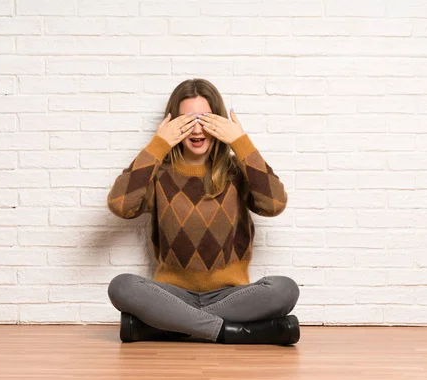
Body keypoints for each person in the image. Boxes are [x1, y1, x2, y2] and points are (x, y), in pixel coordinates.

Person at [106, 78, 300, 345]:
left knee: (285, 289)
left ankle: (164, 327)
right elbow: (120, 205)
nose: (197, 129)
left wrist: (240, 143)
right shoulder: (159, 174)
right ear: (173, 124)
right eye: (187, 120)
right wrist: (157, 145)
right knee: (121, 286)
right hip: (172, 295)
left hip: (230, 296)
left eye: (205, 119)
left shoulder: (236, 171)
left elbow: (274, 204)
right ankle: (227, 332)